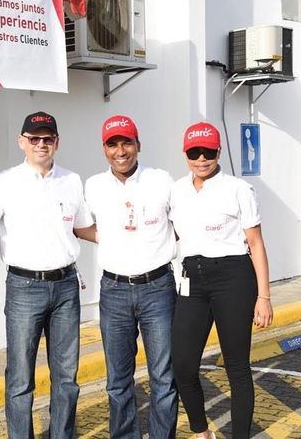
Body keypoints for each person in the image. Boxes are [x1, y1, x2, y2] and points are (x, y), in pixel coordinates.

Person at [0, 111, 94, 439]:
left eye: (48, 138)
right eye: (34, 138)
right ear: (21, 142)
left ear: (57, 142)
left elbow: (85, 228)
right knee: (20, 379)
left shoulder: (72, 180)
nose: (41, 144)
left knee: (67, 377)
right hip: (24, 287)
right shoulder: (5, 183)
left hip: (66, 286)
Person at [169, 122, 273, 439]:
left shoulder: (238, 189)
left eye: (208, 151)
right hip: (192, 279)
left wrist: (264, 297)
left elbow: (255, 243)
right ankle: (202, 432)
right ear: (185, 153)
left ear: (218, 151)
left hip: (234, 278)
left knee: (236, 367)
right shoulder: (177, 190)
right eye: (194, 152)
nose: (201, 158)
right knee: (183, 367)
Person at [77, 115, 178, 438]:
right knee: (118, 381)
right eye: (113, 144)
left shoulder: (162, 180)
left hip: (158, 289)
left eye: (126, 143)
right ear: (104, 149)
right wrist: (108, 238)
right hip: (114, 290)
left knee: (163, 376)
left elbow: (183, 224)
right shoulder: (93, 185)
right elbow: (78, 225)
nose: (120, 151)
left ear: (138, 145)